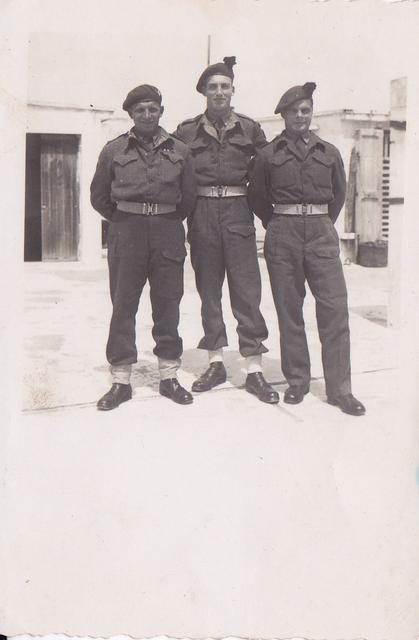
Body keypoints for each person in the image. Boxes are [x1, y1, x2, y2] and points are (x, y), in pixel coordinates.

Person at [248, 82, 365, 416]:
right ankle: (297, 381)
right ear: (283, 115)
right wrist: (280, 223)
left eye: (305, 110)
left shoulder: (328, 152)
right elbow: (257, 197)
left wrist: (319, 223)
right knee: (290, 311)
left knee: (334, 309)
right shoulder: (268, 155)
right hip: (282, 234)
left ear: (311, 113)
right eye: (294, 111)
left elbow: (339, 195)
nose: (300, 116)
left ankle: (340, 390)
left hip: (320, 233)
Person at [174, 57, 279, 404]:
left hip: (237, 212)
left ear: (233, 90)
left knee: (247, 292)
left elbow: (267, 171)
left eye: (225, 86)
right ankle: (216, 362)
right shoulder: (186, 131)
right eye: (213, 87)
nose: (219, 92)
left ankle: (253, 369)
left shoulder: (249, 129)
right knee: (209, 292)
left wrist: (263, 211)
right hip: (202, 213)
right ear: (204, 92)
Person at [90, 84, 196, 410]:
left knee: (168, 305)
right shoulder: (113, 150)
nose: (147, 115)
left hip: (167, 231)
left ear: (161, 112)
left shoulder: (181, 150)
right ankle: (121, 382)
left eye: (152, 109)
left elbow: (188, 199)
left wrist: (162, 218)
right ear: (131, 115)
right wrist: (126, 218)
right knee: (123, 307)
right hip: (127, 232)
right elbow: (99, 196)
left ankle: (169, 377)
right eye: (140, 110)